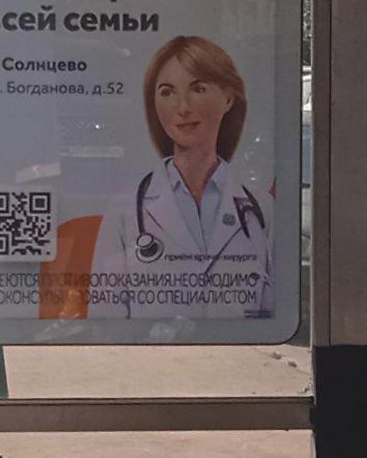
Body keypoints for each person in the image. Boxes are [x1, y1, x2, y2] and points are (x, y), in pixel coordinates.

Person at [79, 34, 274, 322]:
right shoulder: (125, 210)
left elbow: (273, 312)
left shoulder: (261, 208)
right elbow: (105, 321)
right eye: (167, 92)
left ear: (228, 98)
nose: (182, 107)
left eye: (198, 89)